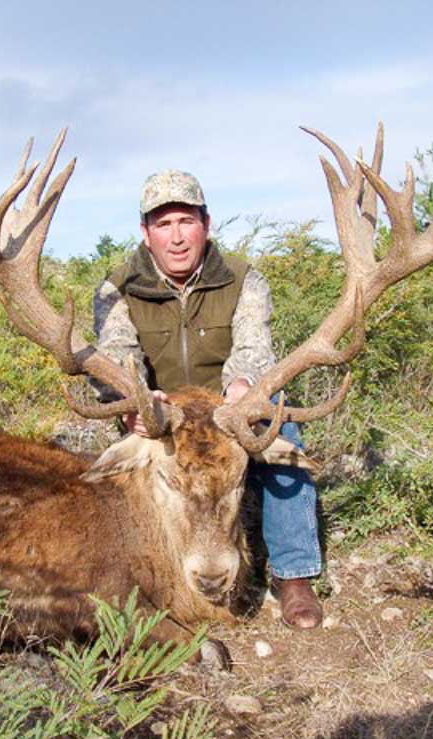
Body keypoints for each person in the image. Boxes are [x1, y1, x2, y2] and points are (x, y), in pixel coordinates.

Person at [91, 169, 323, 630]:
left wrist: (243, 388)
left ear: (206, 223)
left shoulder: (243, 280)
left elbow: (254, 346)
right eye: (163, 224)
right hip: (162, 420)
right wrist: (136, 396)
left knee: (282, 427)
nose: (176, 237)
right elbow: (116, 353)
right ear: (145, 232)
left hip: (227, 414)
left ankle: (294, 575)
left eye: (186, 221)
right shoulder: (116, 289)